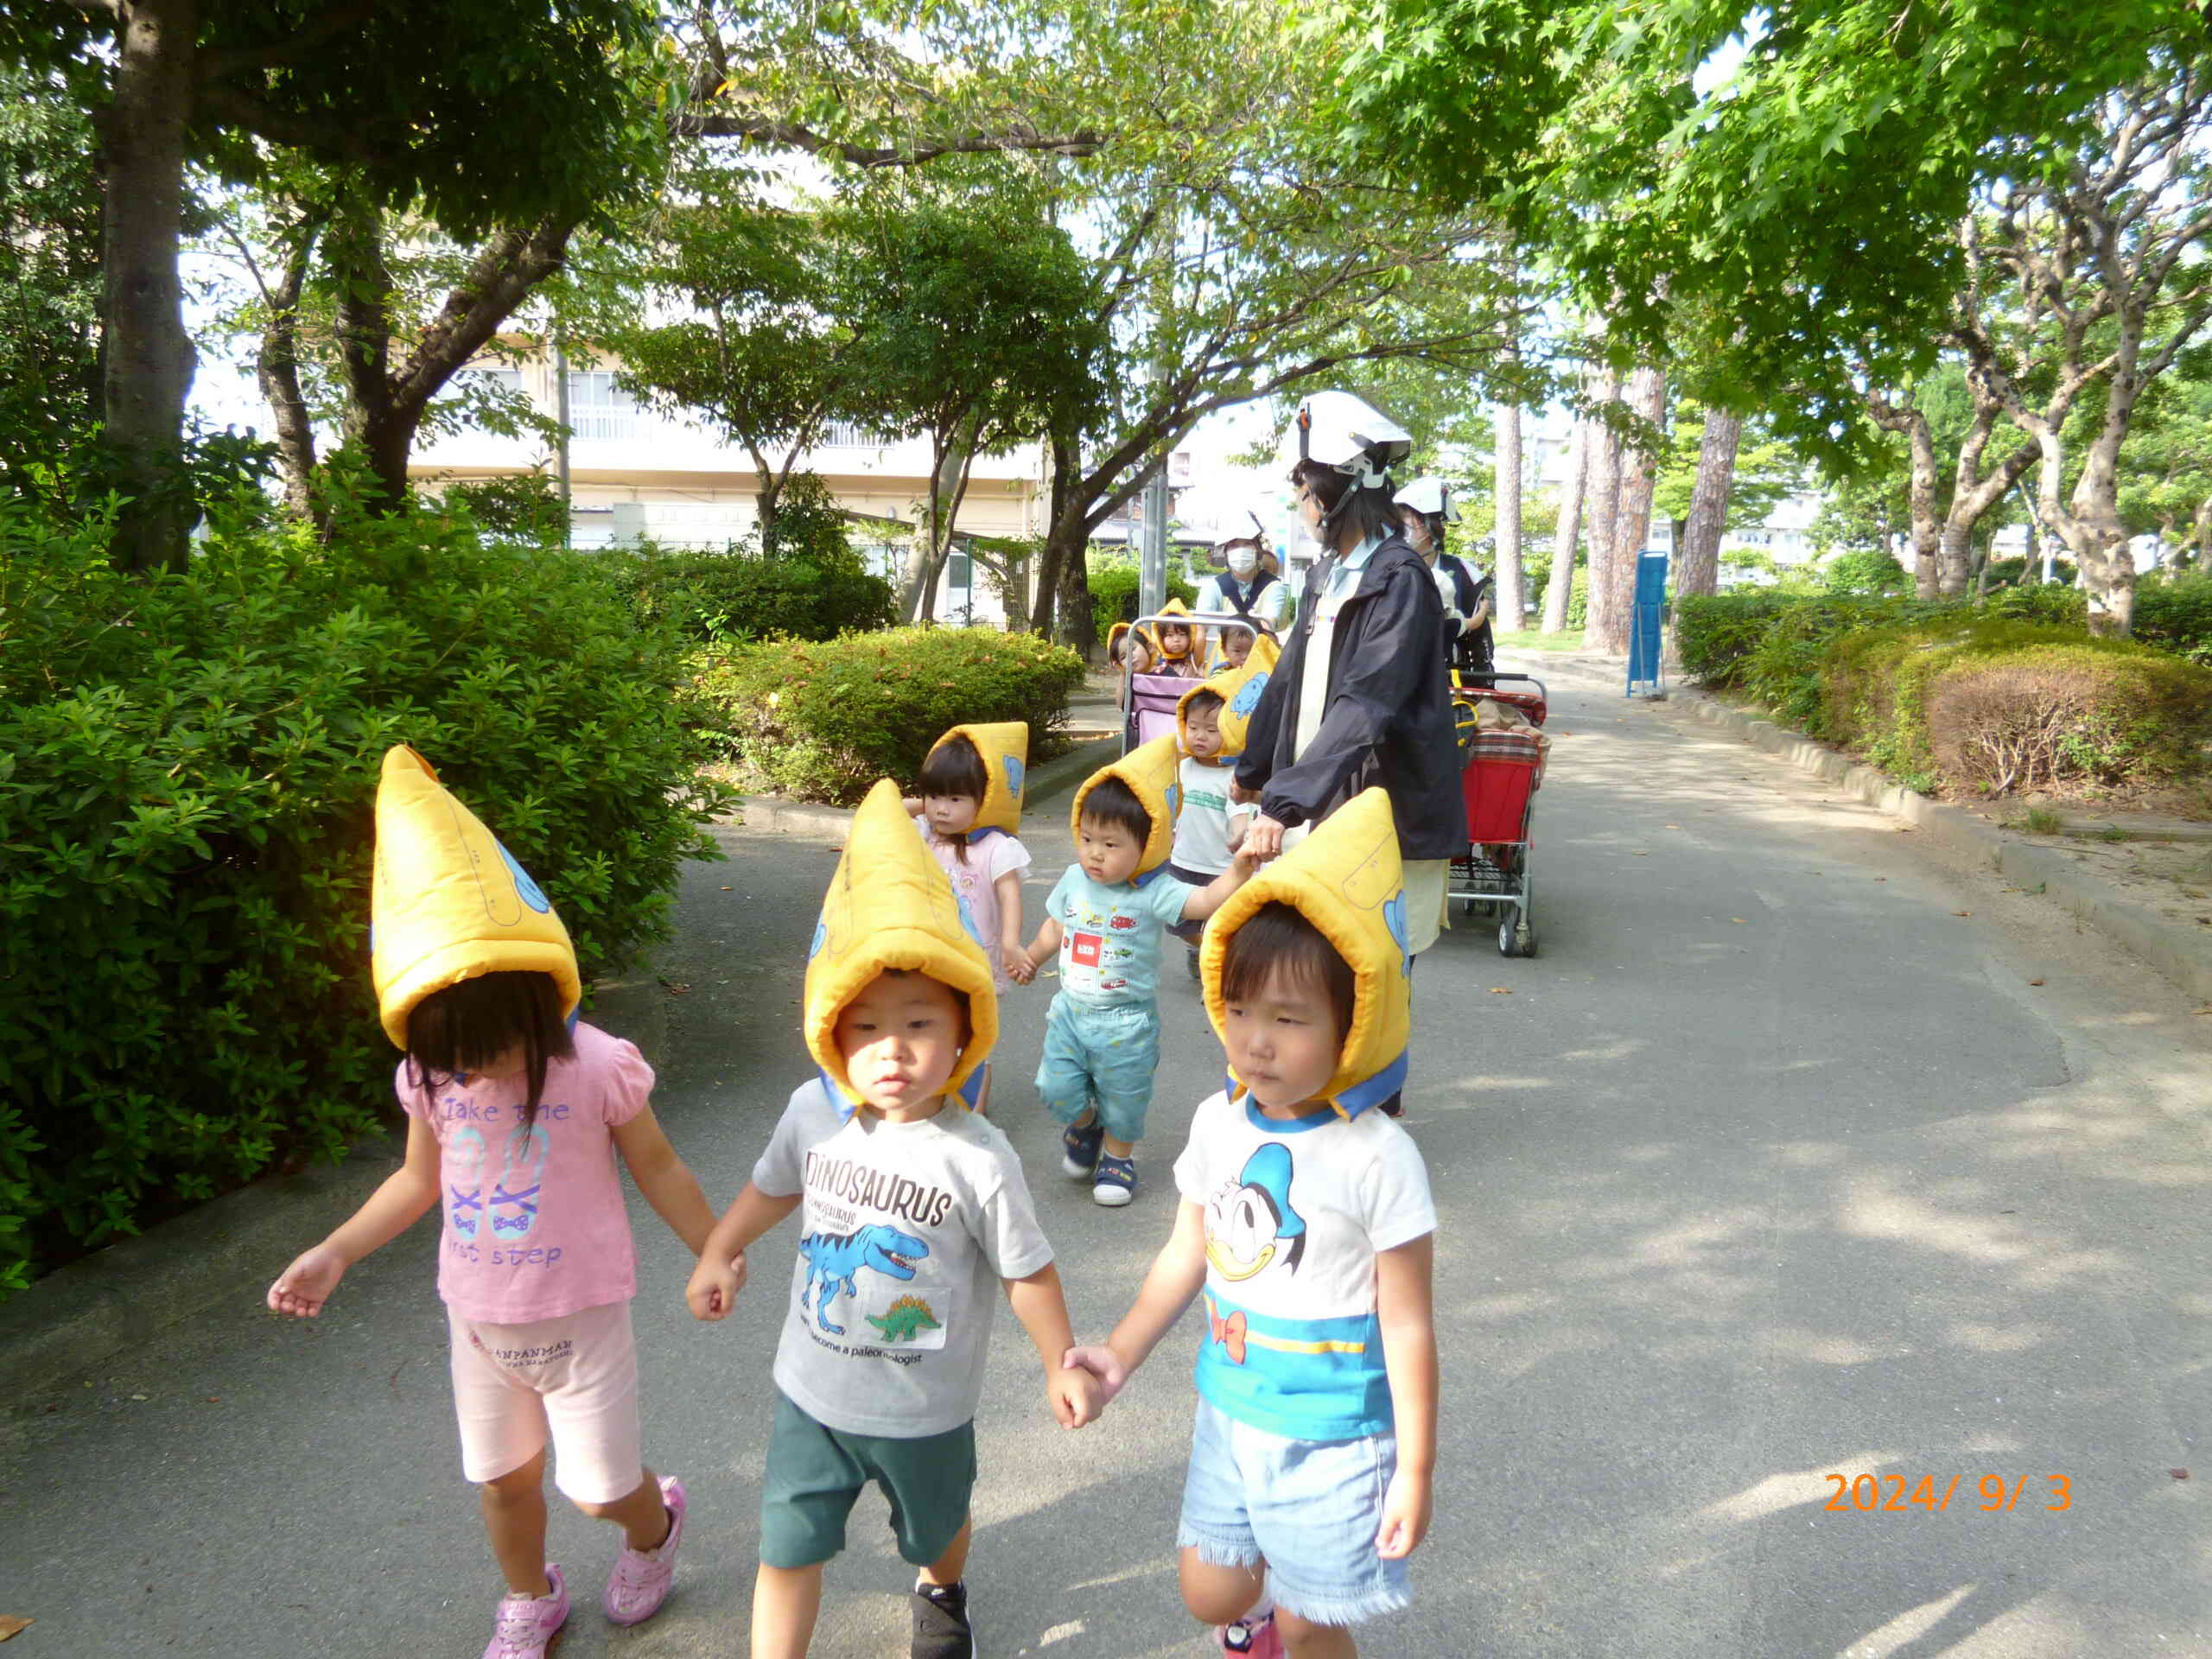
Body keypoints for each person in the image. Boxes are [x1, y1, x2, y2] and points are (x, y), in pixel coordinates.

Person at [268, 747, 717, 1659]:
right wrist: (336, 1250)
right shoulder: (433, 1078)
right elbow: (415, 1181)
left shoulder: (595, 1065)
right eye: (456, 1056)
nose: (478, 1071)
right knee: (504, 1483)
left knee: (597, 1488)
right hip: (478, 1322)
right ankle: (528, 1594)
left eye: (497, 1048)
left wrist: (715, 1246)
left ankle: (653, 1527)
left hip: (582, 1320)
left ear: (542, 999)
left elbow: (659, 1165)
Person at [685, 780, 1100, 1659]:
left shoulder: (978, 1154)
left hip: (927, 1406)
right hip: (812, 1393)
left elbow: (1026, 1271)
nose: (892, 1049)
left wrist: (1059, 1361)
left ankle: (941, 1588)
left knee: (936, 1526)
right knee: (787, 1545)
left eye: (919, 1022)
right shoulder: (812, 1111)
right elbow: (773, 1187)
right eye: (864, 1026)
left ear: (964, 1032)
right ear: (829, 1032)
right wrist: (720, 1248)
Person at [1066, 788, 1438, 1659]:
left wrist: (1414, 1467)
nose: (1254, 1042)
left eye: (1288, 1018)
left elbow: (1409, 1321)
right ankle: (1266, 1613)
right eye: (1239, 1011)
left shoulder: (1378, 1157)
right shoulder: (1219, 1122)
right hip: (1227, 1411)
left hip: (1337, 1437)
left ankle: (1297, 1621)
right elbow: (1185, 1249)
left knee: (1314, 1628)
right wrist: (1119, 1353)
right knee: (1211, 1591)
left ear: (1355, 1023)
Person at [1234, 391, 1467, 976]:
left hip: (1375, 809)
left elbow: (1368, 700)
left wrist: (1283, 803)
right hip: (1319, 800)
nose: (1299, 505)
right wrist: (1253, 771)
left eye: (1304, 491)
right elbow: (1287, 680)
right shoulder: (1328, 574)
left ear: (1338, 491)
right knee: (1314, 978)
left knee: (1371, 984)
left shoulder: (1399, 578)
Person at [1008, 736, 1258, 1206]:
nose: (1094, 854)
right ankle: (1084, 1126)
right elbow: (1054, 927)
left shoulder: (1154, 889)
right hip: (1070, 1012)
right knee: (1055, 1087)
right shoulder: (1073, 879)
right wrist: (1030, 957)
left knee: (1124, 1095)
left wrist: (1239, 871)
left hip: (1127, 1021)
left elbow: (1201, 902)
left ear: (1146, 845)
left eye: (1110, 844)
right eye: (1086, 839)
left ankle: (1119, 1159)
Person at [903, 723, 1033, 993]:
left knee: (977, 1031)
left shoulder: (997, 847)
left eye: (955, 799)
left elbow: (1011, 897)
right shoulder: (927, 832)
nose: (942, 810)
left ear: (984, 799)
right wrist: (924, 805)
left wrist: (1011, 944)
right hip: (930, 956)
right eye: (934, 796)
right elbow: (892, 809)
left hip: (977, 962)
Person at [1166, 652, 1272, 982]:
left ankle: (1219, 964)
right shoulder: (1181, 767)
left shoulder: (1236, 776)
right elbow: (1168, 807)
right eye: (1193, 727)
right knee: (1177, 921)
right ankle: (1206, 949)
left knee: (1223, 919)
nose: (1200, 736)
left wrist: (1239, 835)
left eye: (1211, 730)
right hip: (1183, 860)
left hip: (1220, 868)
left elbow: (1239, 811)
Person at [1393, 478, 1491, 680]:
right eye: (1399, 519)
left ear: (1434, 525)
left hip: (1449, 681)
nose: (1402, 527)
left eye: (1409, 519)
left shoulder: (1463, 572)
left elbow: (1479, 644)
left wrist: (1484, 692)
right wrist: (1469, 623)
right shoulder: (1385, 568)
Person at [1196, 521, 1295, 667]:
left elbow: (1267, 625)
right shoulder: (1214, 586)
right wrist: (1196, 668)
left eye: (1247, 544)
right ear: (1226, 552)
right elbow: (1200, 631)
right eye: (1235, 545)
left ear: (1258, 551)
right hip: (1224, 662)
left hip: (1260, 662)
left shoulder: (1274, 587)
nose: (1241, 551)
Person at [1126, 596, 1205, 679]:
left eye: (1182, 634)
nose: (1176, 640)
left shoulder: (1193, 660)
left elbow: (1200, 638)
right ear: (1161, 639)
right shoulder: (1155, 661)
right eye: (1170, 635)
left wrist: (1192, 621)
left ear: (1190, 637)